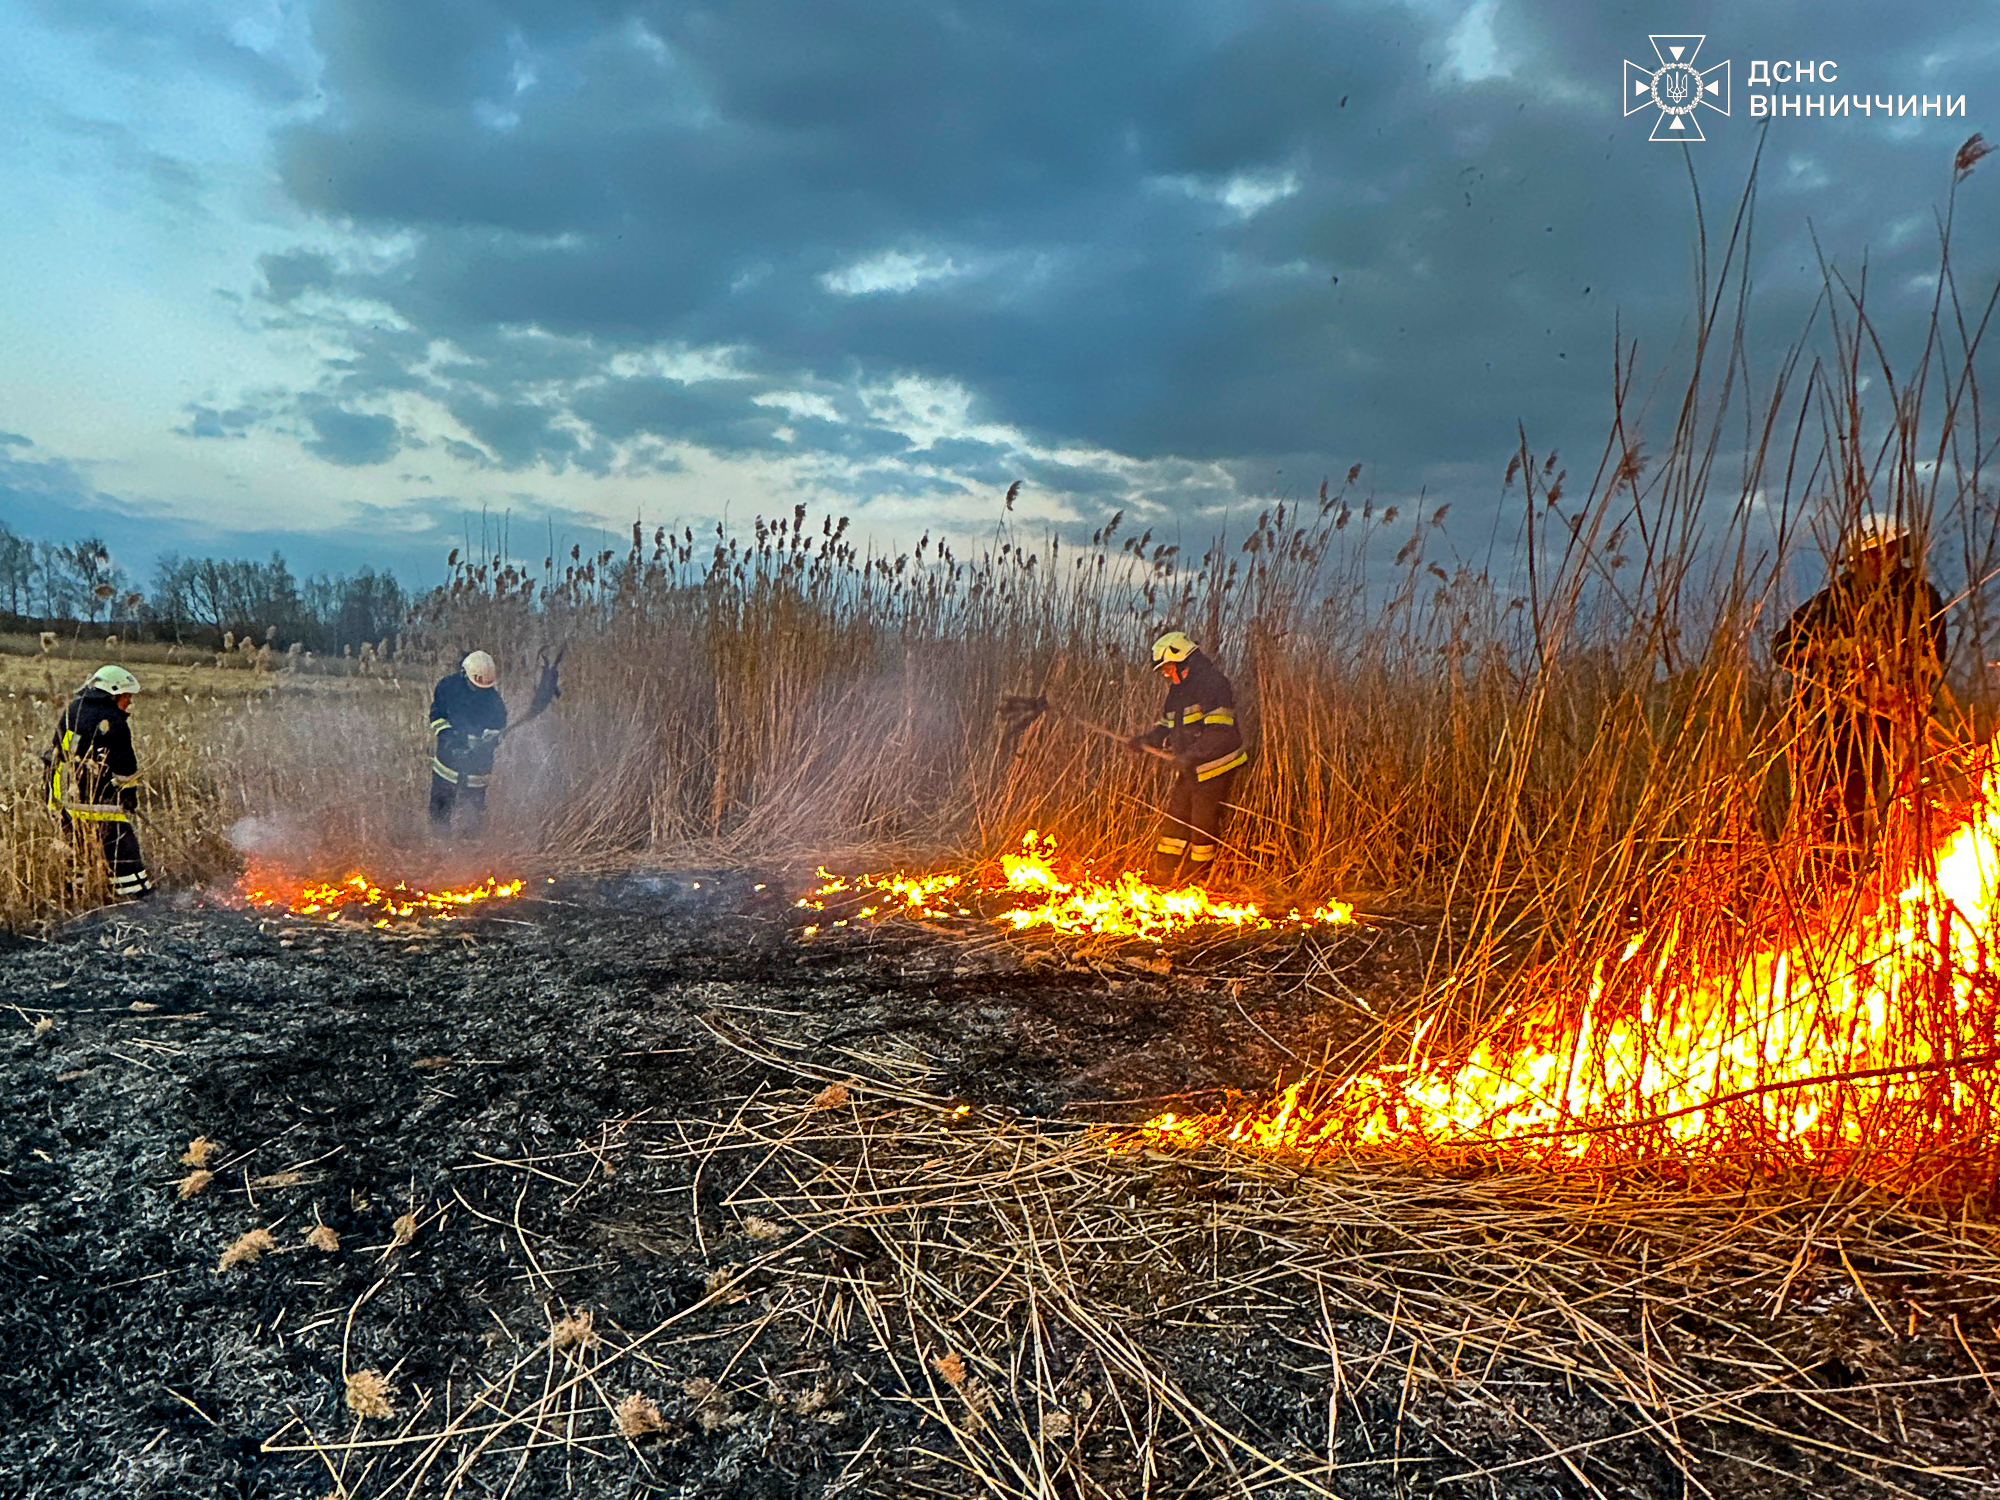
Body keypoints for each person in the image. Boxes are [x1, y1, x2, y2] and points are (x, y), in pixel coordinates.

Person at [1773, 513, 1948, 858]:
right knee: (1837, 798)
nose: (1879, 560)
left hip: (1899, 717)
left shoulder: (1919, 596)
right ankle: (1840, 875)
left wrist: (1894, 675)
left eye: (1887, 551)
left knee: (1910, 799)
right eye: (1870, 553)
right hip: (1838, 718)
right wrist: (1825, 649)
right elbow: (1783, 648)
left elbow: (1933, 656)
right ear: (1855, 559)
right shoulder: (1831, 602)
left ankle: (1907, 867)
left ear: (1900, 551)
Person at [1127, 630, 1250, 884]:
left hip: (1216, 765)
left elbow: (1220, 731)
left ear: (1183, 661)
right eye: (1163, 670)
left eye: (1168, 668)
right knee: (1176, 816)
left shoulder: (1212, 684)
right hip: (1191, 765)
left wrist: (1191, 755)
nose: (1166, 674)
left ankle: (1194, 882)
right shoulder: (1177, 692)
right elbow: (1167, 725)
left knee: (1201, 822)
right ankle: (1163, 875)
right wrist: (1146, 740)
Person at [46, 665, 153, 901]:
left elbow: (57, 753)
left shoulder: (74, 709)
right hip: (98, 799)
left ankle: (80, 899)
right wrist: (129, 794)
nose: (129, 703)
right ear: (114, 693)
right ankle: (137, 900)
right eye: (127, 697)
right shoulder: (112, 719)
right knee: (123, 850)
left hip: (63, 798)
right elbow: (125, 764)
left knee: (79, 852)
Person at [427, 648, 560, 835]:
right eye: (476, 686)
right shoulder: (448, 688)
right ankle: (439, 850)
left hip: (476, 772)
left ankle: (468, 852)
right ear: (464, 675)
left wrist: (487, 743)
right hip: (446, 766)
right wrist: (449, 739)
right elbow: (437, 715)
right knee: (439, 815)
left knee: (471, 820)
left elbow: (497, 726)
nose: (480, 691)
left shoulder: (493, 701)